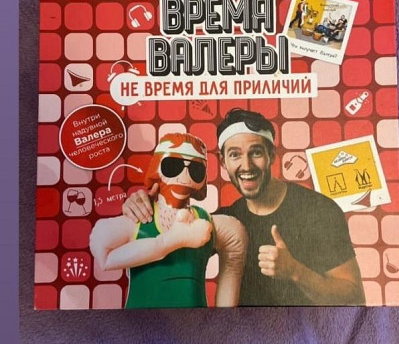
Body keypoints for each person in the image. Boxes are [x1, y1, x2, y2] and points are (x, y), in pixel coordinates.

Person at [123, 110, 365, 307]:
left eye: (256, 152)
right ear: (223, 162)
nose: (246, 165)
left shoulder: (319, 210)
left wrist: (295, 271)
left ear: (272, 155)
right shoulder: (225, 221)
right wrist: (143, 210)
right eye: (235, 155)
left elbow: (354, 297)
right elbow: (163, 254)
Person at [90, 132, 246, 308]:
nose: (184, 176)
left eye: (195, 170)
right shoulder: (138, 219)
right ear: (157, 168)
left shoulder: (215, 225)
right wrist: (173, 240)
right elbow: (103, 255)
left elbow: (232, 269)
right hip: (140, 323)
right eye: (172, 166)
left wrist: (222, 322)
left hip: (193, 323)